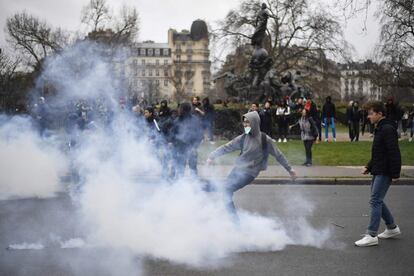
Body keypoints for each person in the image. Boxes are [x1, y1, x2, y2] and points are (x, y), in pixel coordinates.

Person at [206, 111, 296, 214]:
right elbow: (227, 147)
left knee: (226, 189)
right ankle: (230, 218)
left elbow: (278, 155)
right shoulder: (243, 138)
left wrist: (290, 169)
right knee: (226, 193)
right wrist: (211, 156)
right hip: (237, 170)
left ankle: (235, 223)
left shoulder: (265, 139)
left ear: (254, 123)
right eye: (244, 122)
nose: (245, 125)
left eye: (247, 123)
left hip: (249, 173)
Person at [355, 101, 402, 247]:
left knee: (375, 200)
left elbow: (394, 152)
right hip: (379, 168)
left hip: (385, 171)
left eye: (371, 113)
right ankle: (392, 228)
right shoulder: (381, 128)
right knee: (377, 199)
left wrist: (395, 173)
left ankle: (371, 235)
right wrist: (368, 167)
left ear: (380, 114)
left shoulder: (387, 129)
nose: (368, 116)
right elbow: (379, 152)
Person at [172, 102, 204, 178]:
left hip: (191, 148)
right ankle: (180, 185)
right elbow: (173, 134)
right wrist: (173, 144)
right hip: (180, 148)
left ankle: (195, 185)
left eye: (180, 108)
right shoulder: (177, 120)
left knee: (193, 168)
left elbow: (200, 135)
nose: (178, 110)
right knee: (180, 168)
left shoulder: (195, 120)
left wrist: (195, 147)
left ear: (184, 110)